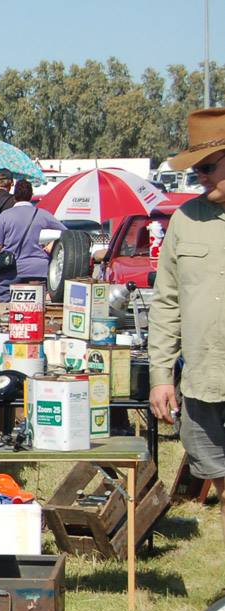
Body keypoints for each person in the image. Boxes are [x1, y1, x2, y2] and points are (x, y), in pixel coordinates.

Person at [150, 107, 225, 543]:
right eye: (195, 168)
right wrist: (161, 376)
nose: (199, 176)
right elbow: (166, 303)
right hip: (203, 384)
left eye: (208, 167)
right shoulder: (184, 221)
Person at [0, 179, 66, 298]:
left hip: (11, 270)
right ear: (31, 196)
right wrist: (53, 243)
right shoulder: (42, 214)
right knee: (38, 306)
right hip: (39, 269)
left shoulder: (4, 217)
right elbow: (67, 233)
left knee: (7, 308)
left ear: (14, 197)